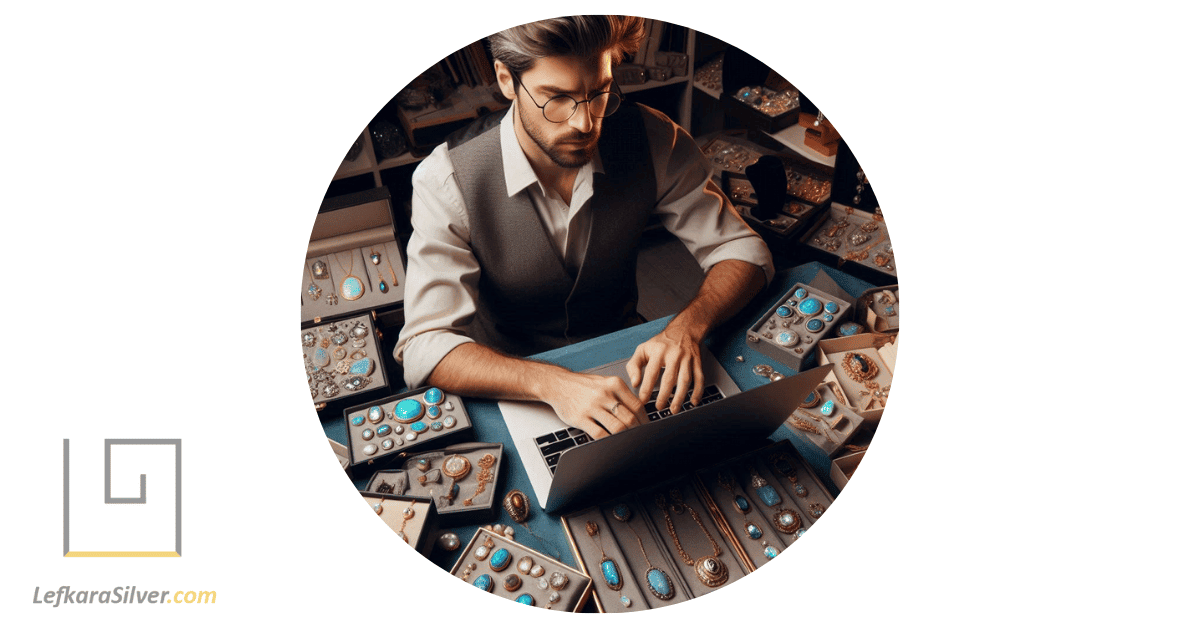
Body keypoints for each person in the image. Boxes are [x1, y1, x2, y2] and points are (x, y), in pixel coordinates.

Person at [395, 16, 773, 440]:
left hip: (629, 367)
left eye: (597, 94)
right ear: (506, 80)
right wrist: (551, 384)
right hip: (510, 386)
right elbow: (424, 346)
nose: (584, 123)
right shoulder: (446, 179)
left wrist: (687, 328)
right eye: (555, 98)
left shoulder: (653, 138)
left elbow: (743, 250)